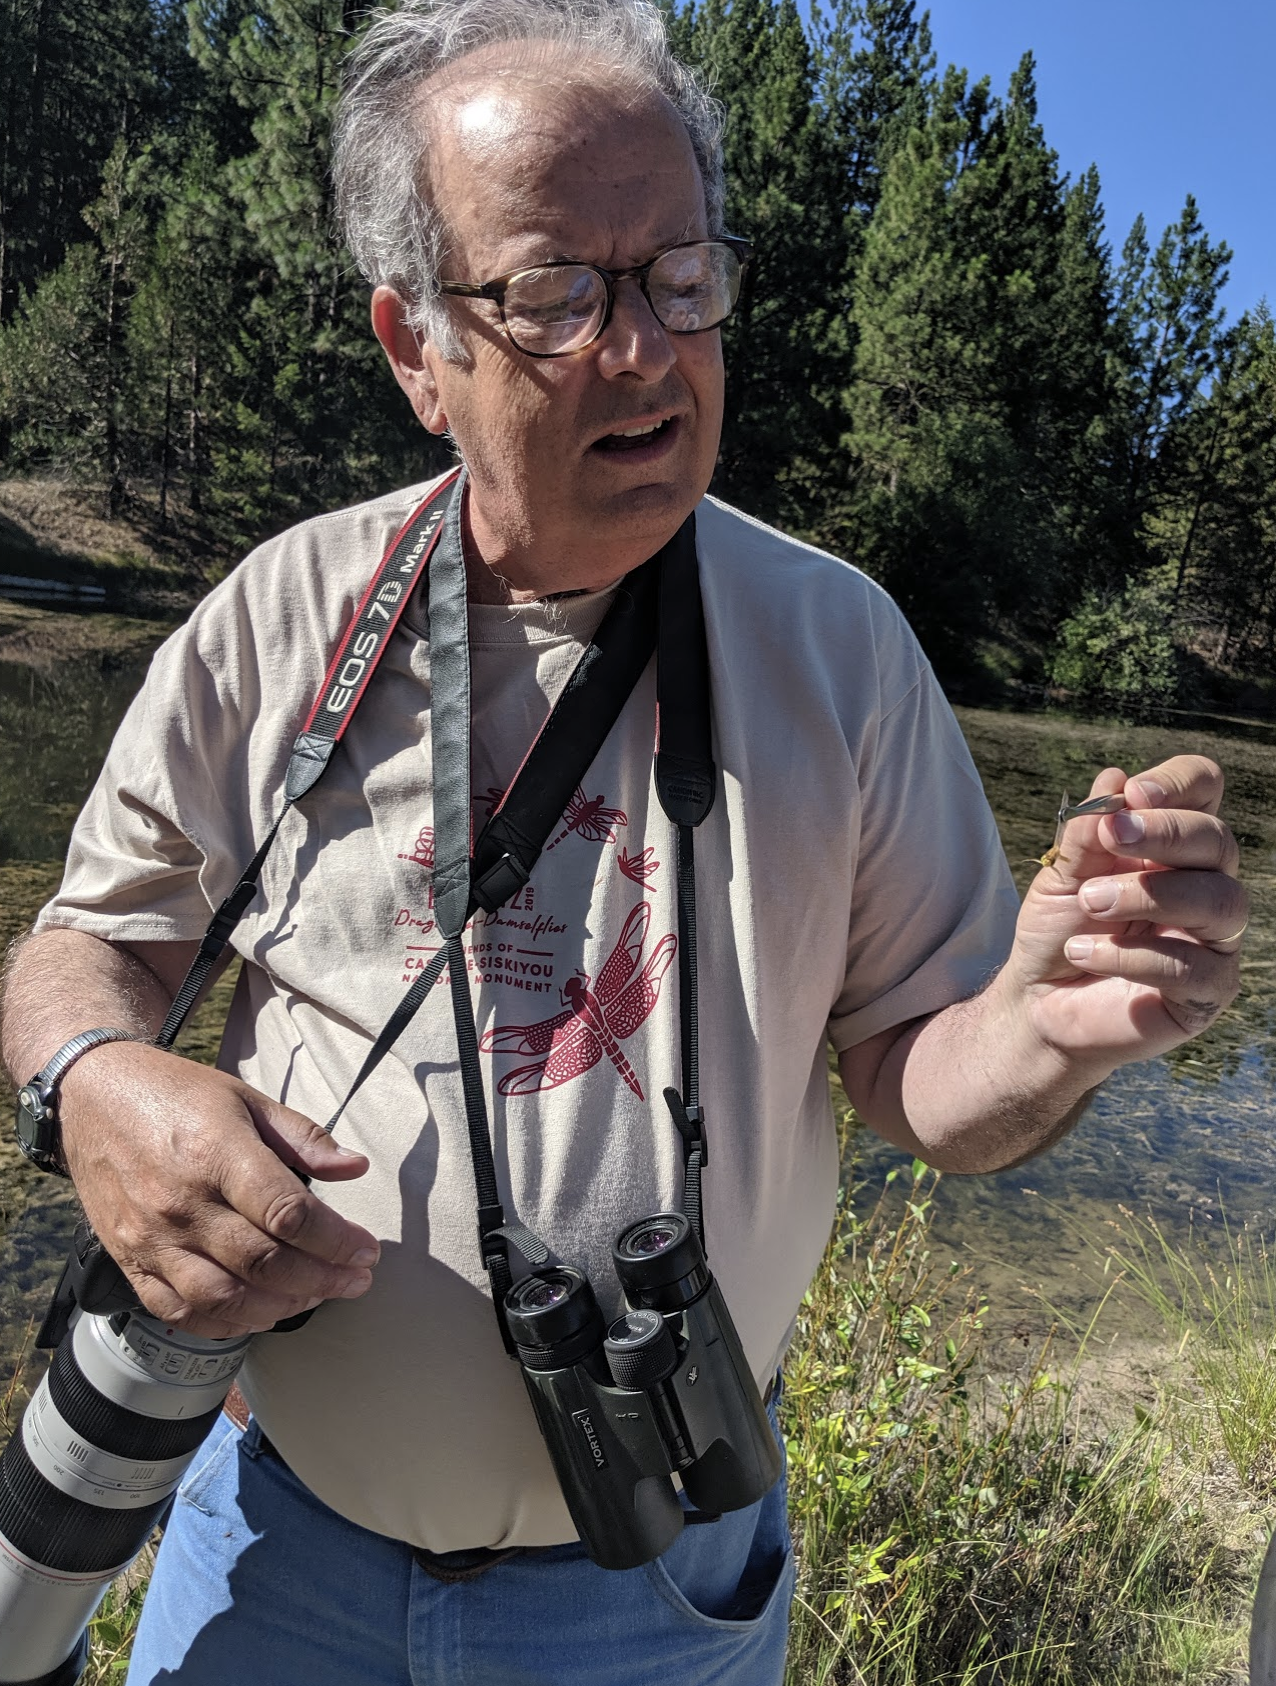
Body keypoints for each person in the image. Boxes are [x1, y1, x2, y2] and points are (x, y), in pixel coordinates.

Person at [0, 1, 1247, 1681]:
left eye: (679, 276)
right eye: (554, 295)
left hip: (654, 1600)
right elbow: (91, 942)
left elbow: (919, 1080)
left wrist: (1045, 1027)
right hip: (274, 1546)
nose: (645, 347)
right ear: (413, 346)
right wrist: (93, 1076)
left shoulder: (841, 649)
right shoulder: (287, 612)